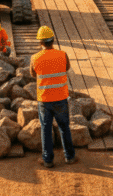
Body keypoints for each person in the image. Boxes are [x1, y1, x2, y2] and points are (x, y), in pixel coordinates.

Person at [30, 26, 77, 168]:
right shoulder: (63, 55)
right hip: (61, 98)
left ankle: (48, 160)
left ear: (40, 42)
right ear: (53, 40)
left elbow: (33, 74)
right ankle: (69, 157)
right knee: (64, 127)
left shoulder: (35, 58)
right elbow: (66, 68)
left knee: (46, 129)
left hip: (44, 100)